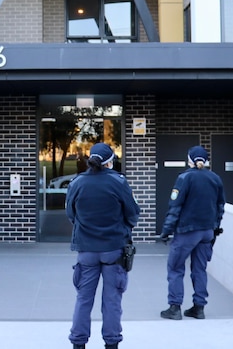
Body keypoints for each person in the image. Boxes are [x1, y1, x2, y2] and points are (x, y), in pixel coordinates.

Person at [66, 142, 140, 349]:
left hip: (86, 250)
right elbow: (133, 214)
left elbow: (71, 214)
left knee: (83, 299)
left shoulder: (77, 182)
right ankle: (111, 343)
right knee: (112, 301)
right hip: (114, 249)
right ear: (110, 161)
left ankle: (78, 343)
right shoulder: (119, 182)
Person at [158, 145, 225, 321]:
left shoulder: (184, 178)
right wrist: (215, 228)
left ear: (189, 159)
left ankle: (174, 308)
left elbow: (175, 207)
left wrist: (165, 232)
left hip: (187, 232)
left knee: (175, 267)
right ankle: (199, 307)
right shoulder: (215, 178)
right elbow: (220, 207)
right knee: (199, 269)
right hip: (207, 232)